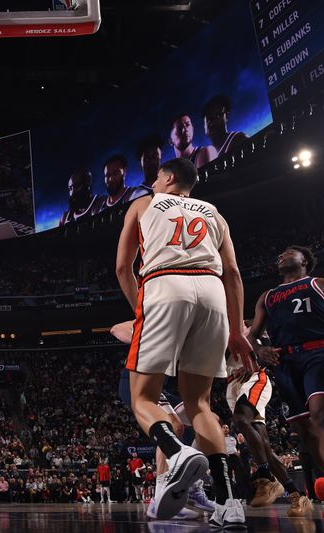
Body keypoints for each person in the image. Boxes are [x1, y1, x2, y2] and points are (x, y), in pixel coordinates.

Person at [115, 157, 253, 527]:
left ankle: (175, 453)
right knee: (200, 405)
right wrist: (238, 330)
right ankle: (229, 504)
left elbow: (122, 268)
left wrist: (141, 310)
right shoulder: (213, 212)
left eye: (158, 178)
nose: (154, 183)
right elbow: (234, 274)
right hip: (211, 293)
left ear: (170, 177)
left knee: (143, 398)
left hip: (164, 284)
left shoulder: (143, 204)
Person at [247, 245, 324, 516]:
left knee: (319, 414)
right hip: (285, 362)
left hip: (318, 351)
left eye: (289, 252)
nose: (281, 255)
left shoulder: (317, 283)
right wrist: (260, 350)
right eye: (279, 254)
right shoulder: (267, 297)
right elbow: (252, 335)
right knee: (305, 430)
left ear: (305, 261)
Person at [113, 321, 215, 520]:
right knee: (173, 426)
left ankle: (192, 487)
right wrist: (146, 341)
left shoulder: (189, 326)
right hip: (136, 382)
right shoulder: (157, 318)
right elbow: (116, 329)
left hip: (162, 388)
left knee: (207, 421)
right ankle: (159, 497)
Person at [226, 323, 311, 516]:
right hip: (232, 385)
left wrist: (257, 363)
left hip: (254, 378)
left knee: (240, 419)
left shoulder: (251, 326)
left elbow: (269, 352)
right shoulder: (219, 325)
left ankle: (265, 477)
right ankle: (297, 495)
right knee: (263, 445)